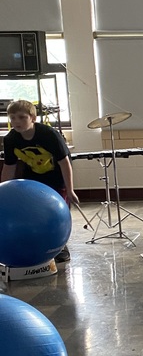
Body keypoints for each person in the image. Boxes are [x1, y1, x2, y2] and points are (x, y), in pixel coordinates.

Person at [2, 99, 78, 263]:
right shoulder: (10, 139)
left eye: (22, 117)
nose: (16, 122)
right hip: (33, 179)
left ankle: (60, 246)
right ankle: (33, 242)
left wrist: (70, 189)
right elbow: (9, 166)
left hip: (57, 176)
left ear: (33, 118)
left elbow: (64, 162)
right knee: (32, 211)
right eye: (12, 118)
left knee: (56, 212)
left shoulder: (49, 135)